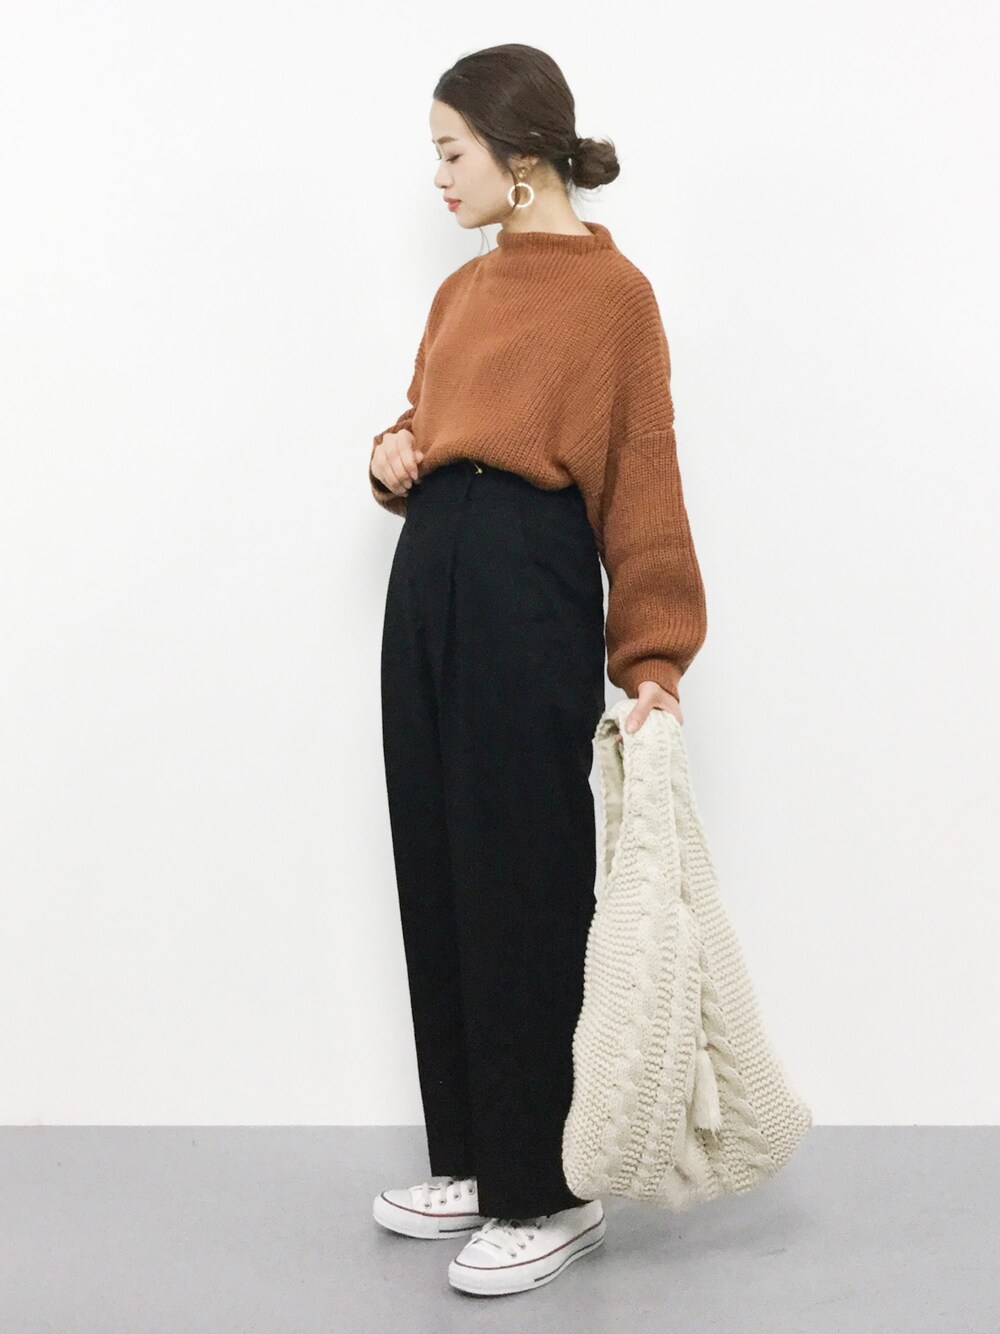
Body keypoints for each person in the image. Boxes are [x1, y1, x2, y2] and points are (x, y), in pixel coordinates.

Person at [368, 43, 708, 1298]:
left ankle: (550, 1188)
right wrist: (391, 452)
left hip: (528, 579)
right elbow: (423, 418)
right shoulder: (460, 293)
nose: (439, 177)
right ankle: (474, 1157)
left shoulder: (615, 298)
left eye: (451, 151)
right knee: (438, 858)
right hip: (430, 574)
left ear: (520, 157)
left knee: (524, 871)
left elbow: (643, 481)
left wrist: (654, 653)